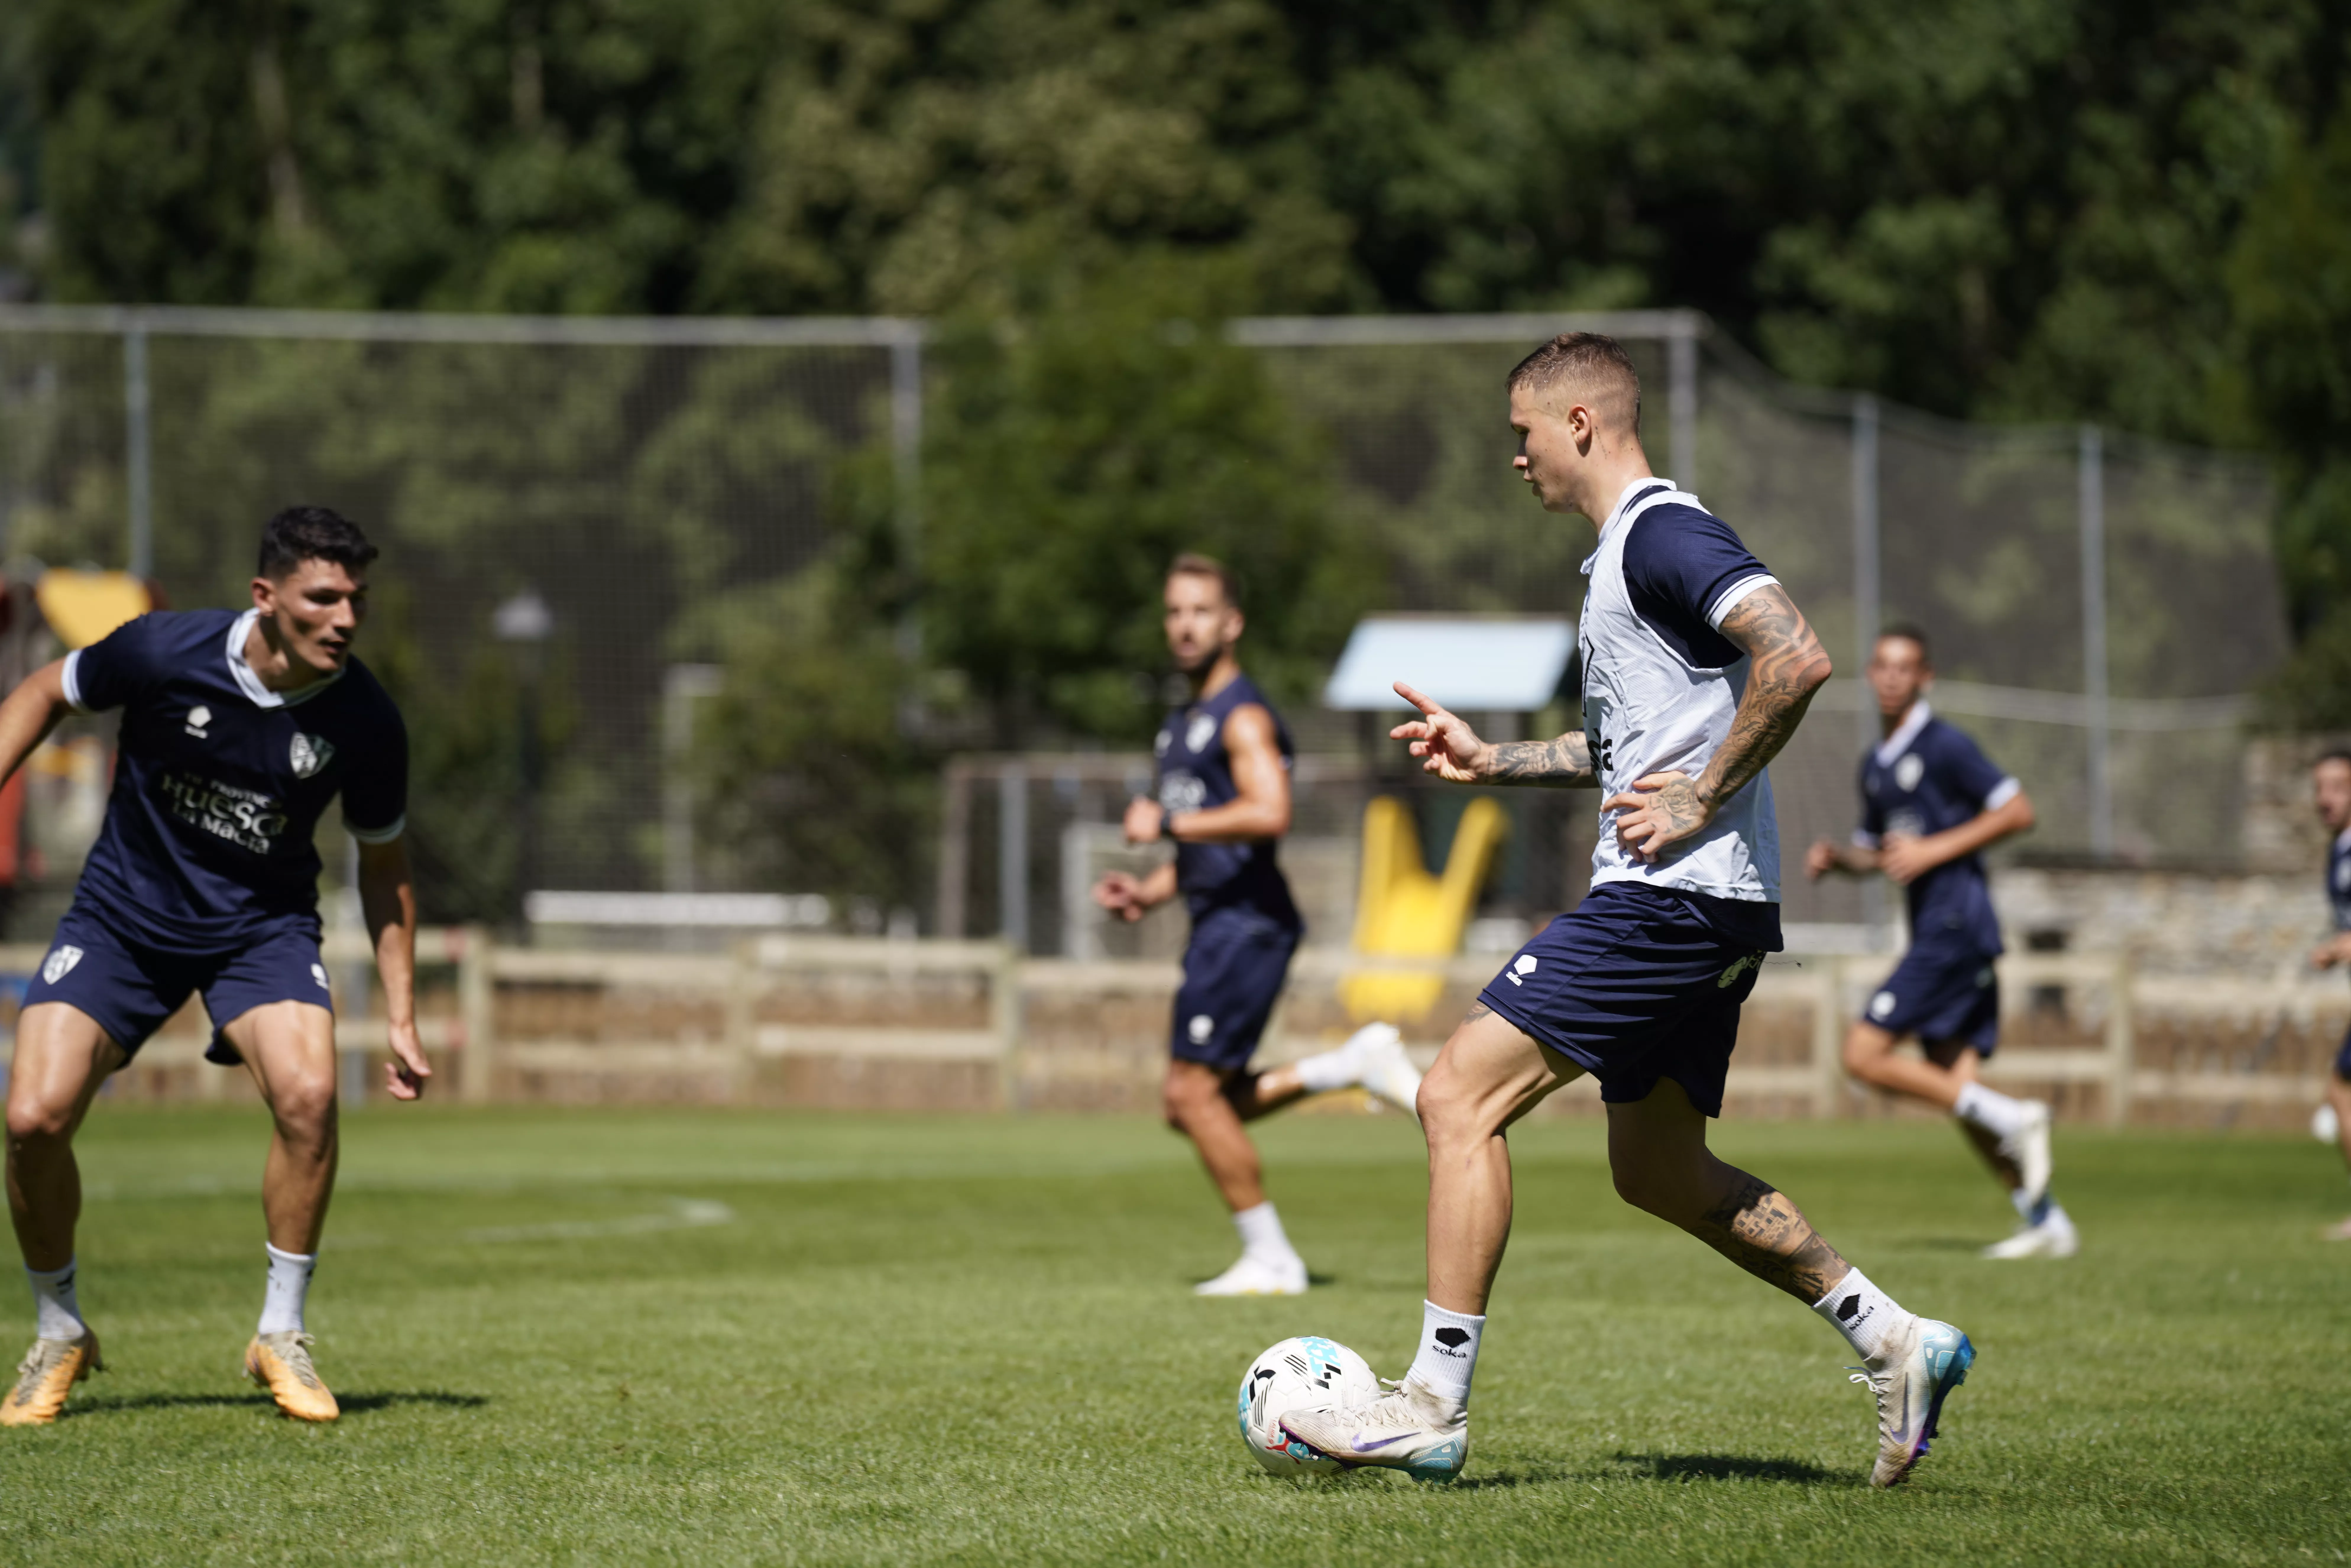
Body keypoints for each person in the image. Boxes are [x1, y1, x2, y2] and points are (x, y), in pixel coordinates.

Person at [1278, 333, 1973, 1488]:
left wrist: (1703, 793)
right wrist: (1492, 760)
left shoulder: (1661, 532)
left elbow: (1795, 657)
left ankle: (1429, 1406)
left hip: (1669, 902)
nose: (1516, 459)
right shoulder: (1618, 560)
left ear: (1580, 424)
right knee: (1655, 1168)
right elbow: (1620, 752)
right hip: (1706, 909)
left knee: (1454, 1096)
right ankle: (1895, 1338)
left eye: (1522, 435)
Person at [0, 506, 426, 1427]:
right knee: (33, 1118)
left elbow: (385, 864)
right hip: (121, 921)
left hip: (261, 932)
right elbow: (43, 689)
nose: (345, 620)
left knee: (310, 1097)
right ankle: (60, 1330)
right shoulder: (161, 651)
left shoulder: (366, 719)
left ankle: (281, 1333)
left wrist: (400, 1012)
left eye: (356, 600)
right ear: (266, 596)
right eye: (323, 599)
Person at [1093, 555, 1422, 1296]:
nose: (1185, 626)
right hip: (1221, 920)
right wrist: (1149, 891)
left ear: (1232, 623)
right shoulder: (1181, 726)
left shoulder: (1240, 716)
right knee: (1194, 1104)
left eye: (1201, 611)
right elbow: (1210, 849)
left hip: (1247, 925)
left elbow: (1269, 811)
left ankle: (1272, 1260)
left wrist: (1165, 823)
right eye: (1175, 612)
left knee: (1189, 1097)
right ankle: (1348, 1067)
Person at [1804, 627, 2067, 1258]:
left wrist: (1934, 850)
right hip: (1937, 932)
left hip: (1958, 927)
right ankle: (2047, 1222)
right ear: (1871, 675)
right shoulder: (1877, 764)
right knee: (1958, 1091)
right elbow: (1878, 853)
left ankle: (2017, 1117)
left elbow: (2018, 811)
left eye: (1907, 667)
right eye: (1883, 665)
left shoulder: (1945, 746)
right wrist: (1841, 861)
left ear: (1926, 678)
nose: (1893, 676)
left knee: (1861, 1054)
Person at [2305, 749, 2351, 1241]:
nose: (2325, 799)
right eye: (2320, 788)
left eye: (2338, 787)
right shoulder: (2339, 850)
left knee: (2341, 1093)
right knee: (2340, 1094)